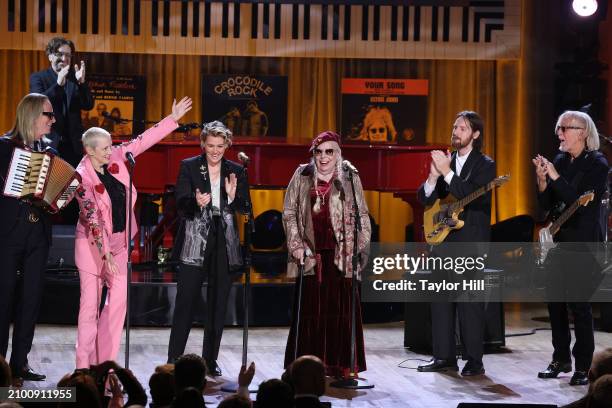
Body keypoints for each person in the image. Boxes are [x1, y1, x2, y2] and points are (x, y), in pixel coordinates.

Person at [74, 97, 192, 369]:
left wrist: (171, 119)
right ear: (89, 151)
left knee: (117, 307)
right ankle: (82, 369)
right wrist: (105, 253)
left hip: (119, 243)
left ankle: (104, 365)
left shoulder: (116, 156)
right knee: (89, 308)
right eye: (103, 149)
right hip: (93, 247)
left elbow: (142, 141)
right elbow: (92, 218)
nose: (110, 151)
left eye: (110, 145)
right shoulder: (81, 177)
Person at [283, 131, 371, 378]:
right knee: (309, 314)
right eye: (319, 152)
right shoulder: (302, 174)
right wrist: (296, 245)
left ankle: (342, 365)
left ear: (338, 153)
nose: (323, 157)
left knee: (341, 313)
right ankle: (305, 367)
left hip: (340, 256)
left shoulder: (350, 176)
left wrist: (358, 247)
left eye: (329, 152)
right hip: (309, 256)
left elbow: (362, 215)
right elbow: (289, 212)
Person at [167, 121, 250, 376]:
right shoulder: (189, 166)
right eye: (210, 145)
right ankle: (174, 360)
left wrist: (234, 197)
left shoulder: (236, 170)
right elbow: (180, 204)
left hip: (224, 243)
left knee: (217, 304)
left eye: (220, 145)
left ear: (227, 145)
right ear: (203, 144)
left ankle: (210, 360)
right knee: (186, 303)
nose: (215, 151)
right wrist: (195, 201)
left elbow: (246, 208)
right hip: (195, 240)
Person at [416, 111, 495, 376]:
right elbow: (425, 200)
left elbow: (468, 194)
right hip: (442, 242)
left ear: (475, 134)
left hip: (470, 244)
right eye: (454, 126)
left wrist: (447, 172)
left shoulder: (485, 165)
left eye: (462, 127)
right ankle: (443, 357)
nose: (456, 131)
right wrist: (431, 177)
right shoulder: (445, 164)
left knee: (469, 305)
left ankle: (474, 360)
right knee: (439, 302)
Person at [534, 111, 609, 386]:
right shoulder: (561, 161)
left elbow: (579, 204)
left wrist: (554, 176)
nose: (559, 133)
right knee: (555, 303)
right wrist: (543, 180)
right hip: (558, 241)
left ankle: (583, 365)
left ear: (583, 132)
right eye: (558, 128)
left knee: (579, 305)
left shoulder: (597, 164)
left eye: (565, 128)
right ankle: (560, 358)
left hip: (584, 243)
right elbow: (547, 204)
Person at [0, 93, 58, 382]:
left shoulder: (49, 150)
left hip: (38, 232)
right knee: (3, 298)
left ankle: (20, 362)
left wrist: (61, 196)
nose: (53, 120)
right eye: (48, 115)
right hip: (9, 232)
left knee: (31, 299)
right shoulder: (4, 147)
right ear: (33, 115)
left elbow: (54, 192)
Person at [30, 37, 94, 167]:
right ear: (50, 56)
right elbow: (37, 105)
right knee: (47, 185)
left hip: (73, 147)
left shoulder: (75, 77)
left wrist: (82, 83)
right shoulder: (38, 78)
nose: (64, 59)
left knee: (72, 185)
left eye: (68, 55)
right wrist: (58, 84)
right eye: (60, 54)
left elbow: (88, 105)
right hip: (47, 143)